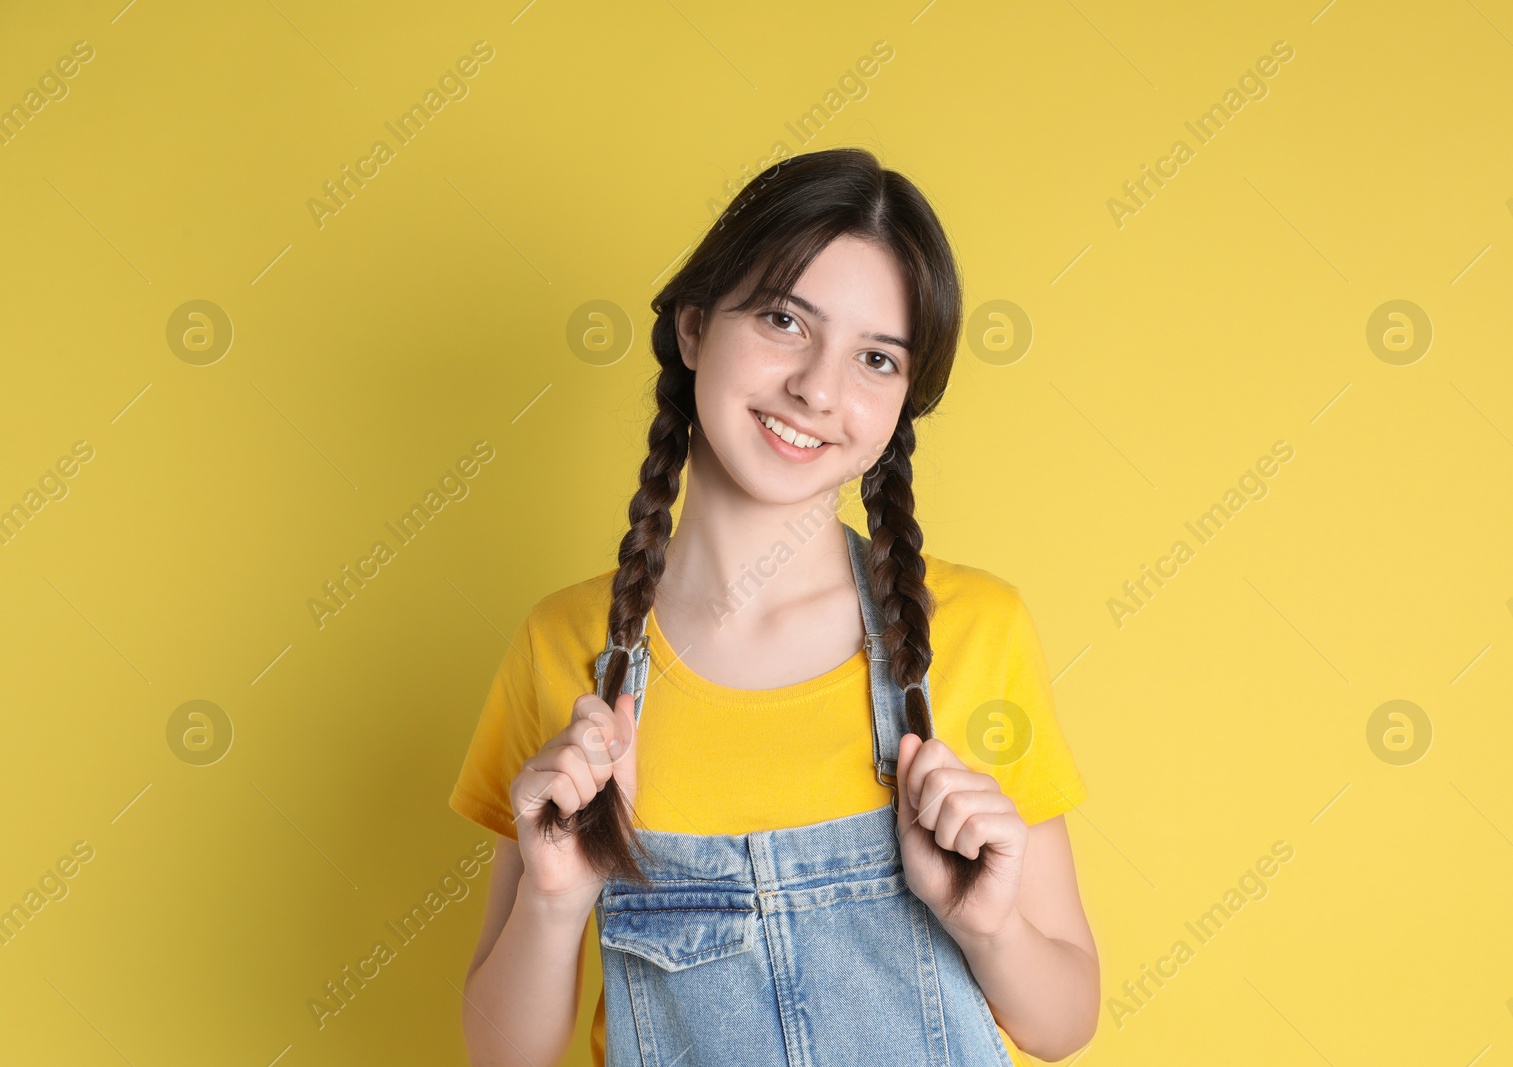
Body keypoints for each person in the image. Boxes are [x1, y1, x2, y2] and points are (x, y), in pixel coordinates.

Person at [448, 146, 1098, 1067]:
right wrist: (555, 898)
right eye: (786, 320)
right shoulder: (565, 649)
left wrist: (988, 925)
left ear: (903, 401)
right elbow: (501, 1057)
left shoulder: (974, 629)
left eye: (877, 358)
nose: (819, 389)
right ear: (693, 327)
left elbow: (1065, 1021)